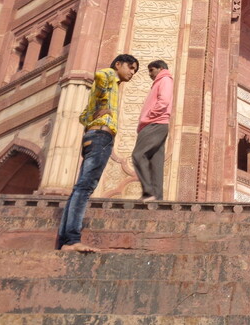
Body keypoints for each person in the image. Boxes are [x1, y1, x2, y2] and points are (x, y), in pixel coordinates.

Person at [57, 54, 139, 252]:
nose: (132, 73)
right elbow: (100, 75)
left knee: (80, 188)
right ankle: (72, 240)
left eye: (135, 70)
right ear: (119, 64)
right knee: (84, 188)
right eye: (131, 67)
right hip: (101, 137)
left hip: (93, 135)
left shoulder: (113, 86)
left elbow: (84, 116)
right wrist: (103, 100)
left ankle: (65, 240)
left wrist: (97, 112)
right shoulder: (110, 76)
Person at [132, 59, 173, 202]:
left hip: (154, 123)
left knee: (138, 155)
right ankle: (157, 197)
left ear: (160, 68)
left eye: (151, 70)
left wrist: (150, 115)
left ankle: (148, 192)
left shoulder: (165, 79)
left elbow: (164, 101)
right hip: (158, 124)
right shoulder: (160, 82)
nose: (150, 74)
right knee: (156, 163)